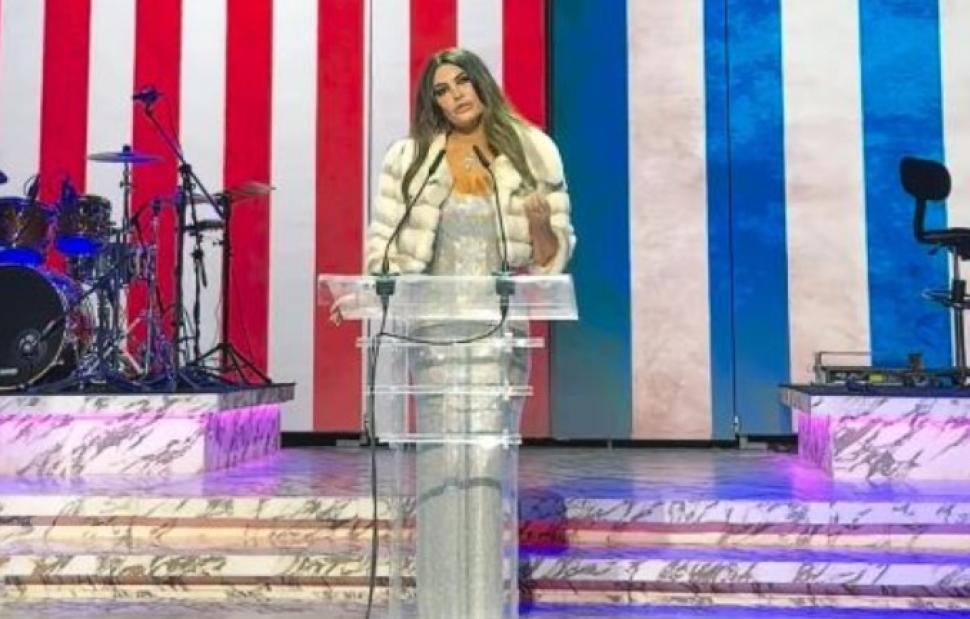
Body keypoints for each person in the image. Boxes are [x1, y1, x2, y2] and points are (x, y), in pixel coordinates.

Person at [364, 47, 574, 619]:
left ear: (482, 84)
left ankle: (480, 608)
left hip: (495, 337)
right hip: (432, 337)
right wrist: (365, 293)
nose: (455, 95)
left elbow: (550, 257)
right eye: (441, 89)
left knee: (481, 472)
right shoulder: (410, 158)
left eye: (462, 82)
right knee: (439, 469)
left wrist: (538, 222)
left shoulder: (531, 150)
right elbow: (384, 250)